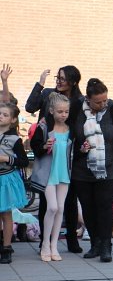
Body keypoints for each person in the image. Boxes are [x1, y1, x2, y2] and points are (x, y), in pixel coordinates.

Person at [72, 79, 113, 263]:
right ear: (88, 99)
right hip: (82, 169)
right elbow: (69, 136)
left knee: (104, 205)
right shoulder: (77, 109)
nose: (103, 104)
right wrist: (79, 149)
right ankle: (95, 243)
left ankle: (106, 246)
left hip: (110, 168)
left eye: (104, 100)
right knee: (88, 207)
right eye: (98, 101)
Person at [26, 65, 84, 254]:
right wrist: (40, 85)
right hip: (48, 150)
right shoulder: (49, 94)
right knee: (47, 202)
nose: (58, 81)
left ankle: (70, 239)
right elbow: (29, 107)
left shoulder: (78, 100)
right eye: (57, 78)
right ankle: (45, 240)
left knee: (68, 201)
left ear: (73, 81)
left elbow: (79, 127)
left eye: (63, 78)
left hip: (67, 151)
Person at [29, 93, 72, 262]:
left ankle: (55, 245)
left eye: (66, 112)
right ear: (52, 110)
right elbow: (35, 147)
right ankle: (45, 243)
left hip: (64, 172)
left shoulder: (71, 128)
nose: (63, 115)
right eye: (60, 111)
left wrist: (84, 148)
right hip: (48, 173)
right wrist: (44, 145)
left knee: (60, 208)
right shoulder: (44, 126)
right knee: (52, 207)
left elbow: (76, 148)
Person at [0, 103, 29, 263]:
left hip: (6, 178)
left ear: (12, 119)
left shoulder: (14, 139)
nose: (0, 116)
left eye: (4, 114)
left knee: (6, 213)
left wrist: (6, 158)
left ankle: (7, 247)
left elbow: (24, 161)